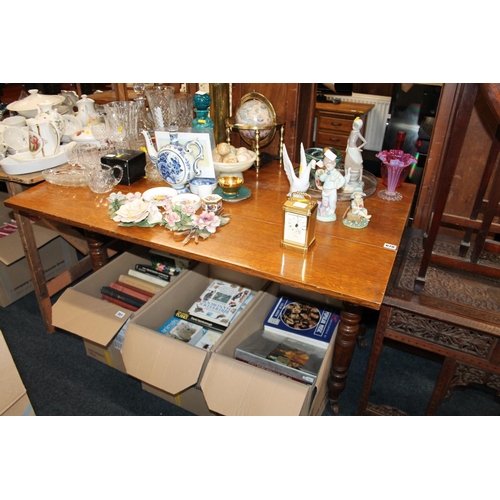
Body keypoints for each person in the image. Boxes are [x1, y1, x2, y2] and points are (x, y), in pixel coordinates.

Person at [316, 150, 350, 222]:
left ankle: (332, 210)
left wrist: (337, 183)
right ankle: (326, 209)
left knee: (332, 202)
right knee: (325, 201)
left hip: (332, 191)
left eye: (329, 166)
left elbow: (343, 180)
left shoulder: (336, 173)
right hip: (325, 191)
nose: (327, 167)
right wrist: (325, 173)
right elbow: (321, 179)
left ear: (334, 164)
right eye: (326, 166)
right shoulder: (327, 172)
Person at [344, 117, 367, 193]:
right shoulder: (352, 131)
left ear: (359, 126)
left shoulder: (357, 133)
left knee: (358, 163)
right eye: (354, 124)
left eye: (356, 125)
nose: (354, 126)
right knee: (346, 163)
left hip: (354, 149)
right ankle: (346, 177)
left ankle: (360, 178)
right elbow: (349, 139)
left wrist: (358, 148)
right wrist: (347, 147)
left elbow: (365, 142)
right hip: (350, 149)